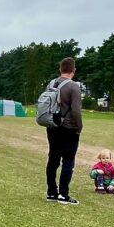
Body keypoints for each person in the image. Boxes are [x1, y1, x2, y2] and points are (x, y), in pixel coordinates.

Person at [45, 56, 83, 204]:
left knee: (53, 159)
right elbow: (76, 111)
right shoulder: (73, 87)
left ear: (60, 69)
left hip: (52, 126)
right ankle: (63, 194)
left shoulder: (51, 84)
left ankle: (51, 192)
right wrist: (79, 127)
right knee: (68, 160)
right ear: (73, 70)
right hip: (68, 128)